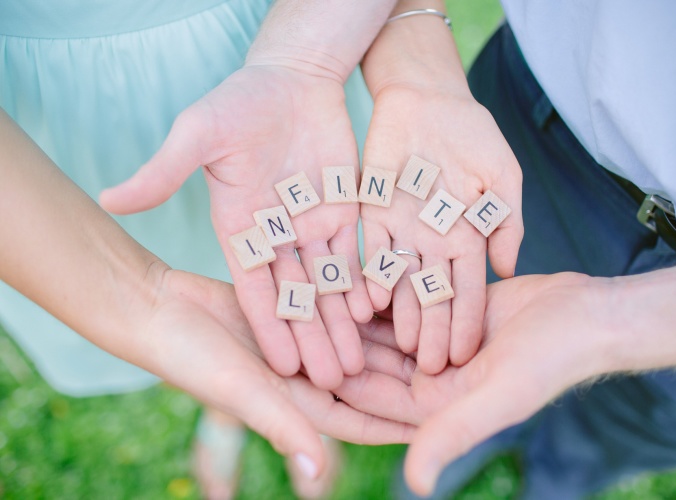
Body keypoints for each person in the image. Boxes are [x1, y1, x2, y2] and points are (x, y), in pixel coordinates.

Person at [333, 1, 676, 498]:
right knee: (460, 342)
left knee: (626, 433)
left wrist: (612, 322)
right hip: (543, 138)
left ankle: (560, 476)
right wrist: (414, 52)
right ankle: (458, 438)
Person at [0, 0, 392, 497]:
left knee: (301, 271)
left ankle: (290, 393)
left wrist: (301, 60)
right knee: (170, 293)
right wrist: (141, 303)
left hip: (270, 47)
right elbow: (145, 301)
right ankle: (226, 408)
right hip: (51, 115)